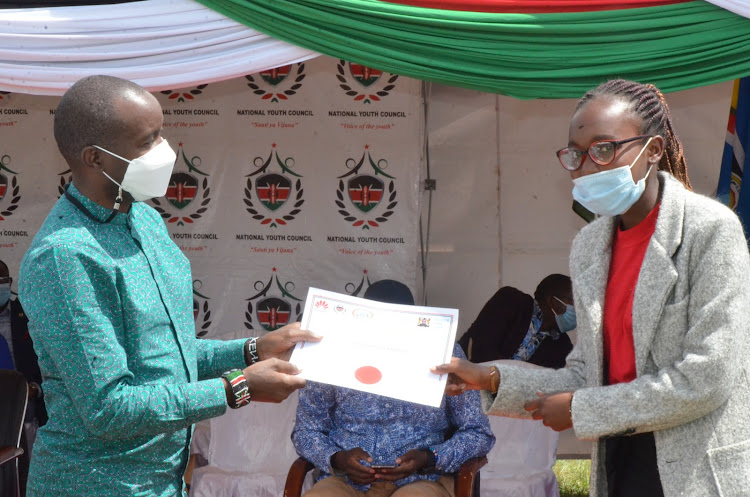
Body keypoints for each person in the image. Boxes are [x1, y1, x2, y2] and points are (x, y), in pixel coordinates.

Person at [433, 79, 750, 497]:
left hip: (694, 468)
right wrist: (487, 377)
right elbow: (586, 371)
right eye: (575, 155)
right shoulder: (589, 246)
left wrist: (583, 409)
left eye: (604, 149)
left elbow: (706, 376)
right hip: (619, 458)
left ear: (653, 150)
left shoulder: (710, 231)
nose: (586, 167)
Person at [18, 75, 320, 497]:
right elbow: (109, 408)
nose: (164, 151)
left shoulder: (143, 220)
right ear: (94, 158)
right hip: (96, 484)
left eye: (161, 133)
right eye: (147, 141)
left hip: (164, 481)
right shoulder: (66, 256)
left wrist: (253, 349)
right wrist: (239, 388)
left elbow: (163, 354)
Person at [292, 280, 495, 497]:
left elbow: (478, 433)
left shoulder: (445, 353)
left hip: (423, 481)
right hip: (345, 482)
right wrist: (337, 458)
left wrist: (430, 457)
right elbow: (307, 430)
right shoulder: (332, 351)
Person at [457, 274, 574, 368]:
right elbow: (482, 350)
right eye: (576, 303)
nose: (579, 311)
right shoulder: (511, 300)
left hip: (506, 396)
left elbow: (540, 385)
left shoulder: (563, 346)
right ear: (554, 303)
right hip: (460, 380)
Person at [0, 259, 47, 496]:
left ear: (10, 284)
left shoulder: (28, 316)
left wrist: (36, 389)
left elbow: (47, 364)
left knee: (29, 471)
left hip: (27, 407)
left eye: (3, 283)